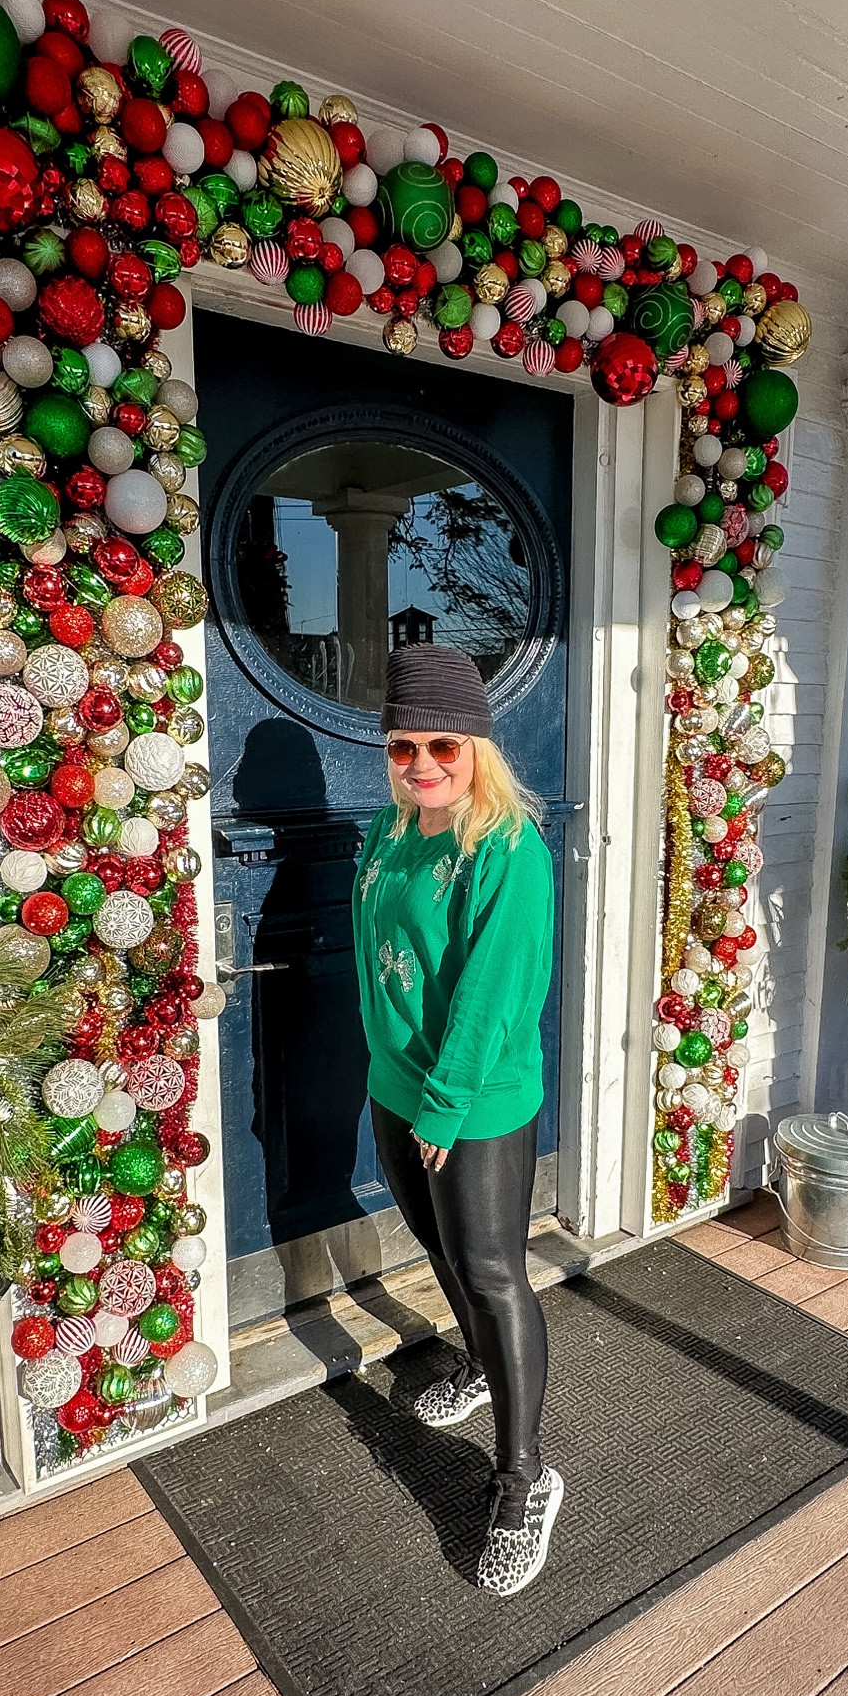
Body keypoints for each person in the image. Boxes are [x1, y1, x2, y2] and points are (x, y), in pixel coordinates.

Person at [351, 642, 561, 1597]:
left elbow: (494, 992)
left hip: (472, 1101)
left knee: (491, 1269)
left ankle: (524, 1479)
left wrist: (442, 1101)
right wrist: (389, 1078)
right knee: (441, 1253)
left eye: (443, 743)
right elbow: (375, 968)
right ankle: (480, 1367)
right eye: (403, 745)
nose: (423, 763)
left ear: (480, 743)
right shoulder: (386, 837)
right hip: (398, 1091)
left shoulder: (508, 849)